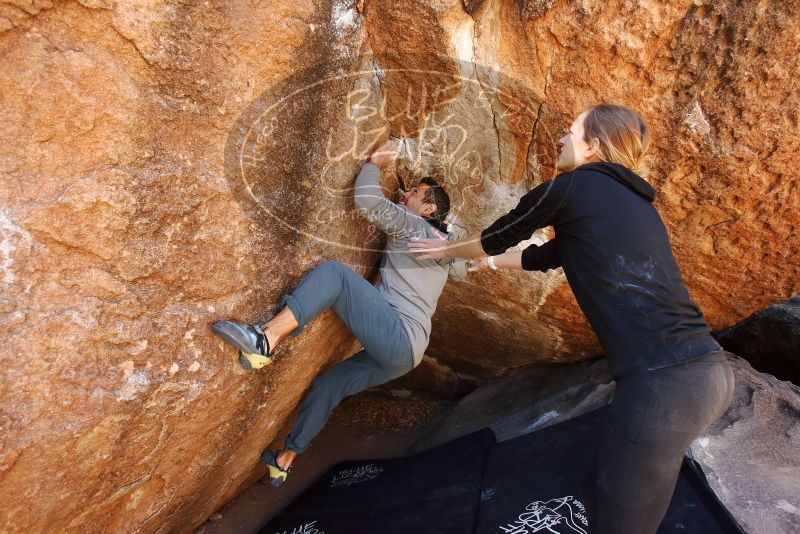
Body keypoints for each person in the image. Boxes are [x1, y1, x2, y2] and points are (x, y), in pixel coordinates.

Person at [408, 104, 735, 534]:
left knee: (619, 520)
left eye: (571, 132)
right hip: (709, 374)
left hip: (664, 386)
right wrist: (488, 267)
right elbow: (545, 255)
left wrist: (444, 250)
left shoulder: (570, 188)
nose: (561, 139)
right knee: (607, 493)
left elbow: (495, 237)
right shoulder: (634, 205)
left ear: (593, 146)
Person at [212, 139, 467, 487]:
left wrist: (375, 162)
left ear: (428, 209)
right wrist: (453, 232)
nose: (406, 192)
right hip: (407, 354)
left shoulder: (414, 226)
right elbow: (464, 268)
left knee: (334, 274)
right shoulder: (446, 248)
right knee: (329, 384)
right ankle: (285, 460)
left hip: (398, 336)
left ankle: (265, 339)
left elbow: (366, 201)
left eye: (416, 192)